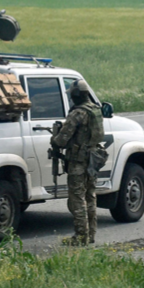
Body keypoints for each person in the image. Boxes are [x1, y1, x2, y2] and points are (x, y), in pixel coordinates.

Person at [51, 80, 104, 246]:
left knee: (77, 199)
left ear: (75, 95)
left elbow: (61, 139)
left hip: (79, 161)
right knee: (90, 196)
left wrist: (54, 138)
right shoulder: (96, 109)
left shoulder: (78, 113)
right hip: (93, 160)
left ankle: (81, 237)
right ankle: (91, 235)